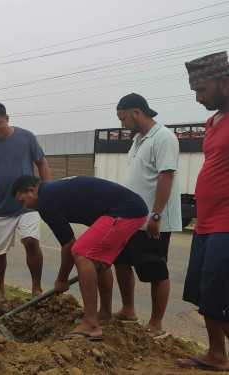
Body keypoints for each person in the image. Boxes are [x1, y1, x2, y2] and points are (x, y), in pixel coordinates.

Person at [11, 175, 148, 341]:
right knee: (97, 258)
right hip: (132, 208)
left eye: (22, 201)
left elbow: (69, 245)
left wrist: (62, 279)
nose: (25, 207)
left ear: (32, 191)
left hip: (126, 210)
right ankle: (104, 313)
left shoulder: (46, 201)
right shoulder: (52, 192)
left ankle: (90, 324)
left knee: (81, 252)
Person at [113, 93, 182, 340]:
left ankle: (156, 323)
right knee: (121, 262)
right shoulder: (138, 139)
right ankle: (128, 310)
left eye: (123, 119)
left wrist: (156, 214)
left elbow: (166, 176)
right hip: (131, 218)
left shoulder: (163, 137)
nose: (122, 124)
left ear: (137, 113)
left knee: (156, 269)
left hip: (153, 221)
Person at [177, 51, 229, 371]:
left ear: (224, 82)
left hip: (227, 222)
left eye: (202, 90)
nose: (198, 98)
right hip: (205, 222)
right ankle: (217, 355)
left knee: (218, 291)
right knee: (204, 293)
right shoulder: (212, 121)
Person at [0, 101, 51, 299]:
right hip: (0, 207)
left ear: (7, 119)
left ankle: (36, 289)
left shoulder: (26, 137)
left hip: (28, 205)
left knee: (31, 242)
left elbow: (42, 163)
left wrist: (47, 190)